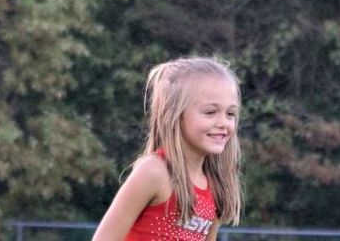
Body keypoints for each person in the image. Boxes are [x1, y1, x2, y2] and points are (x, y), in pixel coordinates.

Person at [93, 57, 243, 241]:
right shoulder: (155, 171)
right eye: (210, 112)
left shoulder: (215, 185)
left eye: (230, 114)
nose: (223, 123)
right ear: (174, 114)